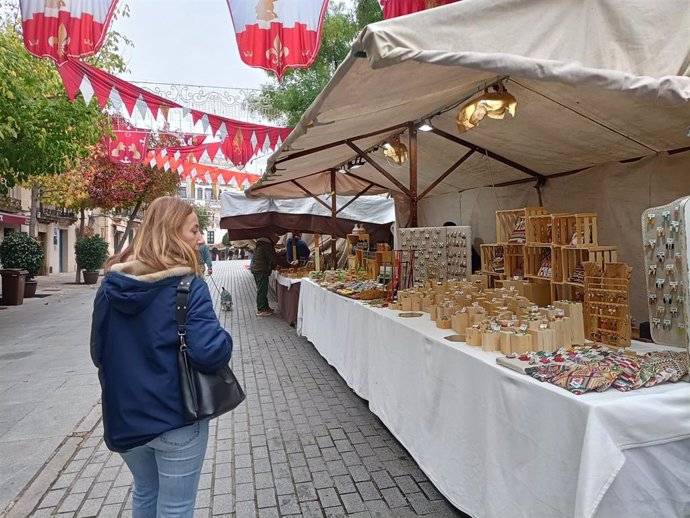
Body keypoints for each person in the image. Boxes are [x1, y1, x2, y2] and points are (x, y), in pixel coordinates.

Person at [90, 197, 233, 517]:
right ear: (170, 233)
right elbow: (209, 353)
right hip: (175, 418)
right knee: (176, 506)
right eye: (194, 230)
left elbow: (98, 353)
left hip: (125, 418)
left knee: (145, 490)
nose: (200, 238)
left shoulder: (110, 286)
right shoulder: (188, 286)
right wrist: (226, 338)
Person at [251, 234, 279, 316]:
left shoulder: (261, 244)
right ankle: (261, 309)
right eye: (276, 240)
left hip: (258, 269)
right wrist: (287, 265)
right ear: (272, 238)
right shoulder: (266, 246)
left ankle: (265, 307)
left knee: (263, 289)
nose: (276, 242)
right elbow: (273, 258)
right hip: (261, 270)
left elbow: (269, 258)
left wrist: (273, 266)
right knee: (262, 290)